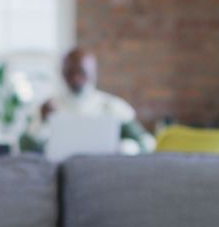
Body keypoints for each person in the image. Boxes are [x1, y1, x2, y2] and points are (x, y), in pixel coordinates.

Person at [20, 47, 155, 155]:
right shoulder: (48, 107)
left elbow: (147, 143)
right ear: (62, 73)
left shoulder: (112, 107)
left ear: (93, 72)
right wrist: (41, 122)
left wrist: (126, 148)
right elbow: (23, 147)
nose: (76, 79)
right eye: (70, 73)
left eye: (82, 72)